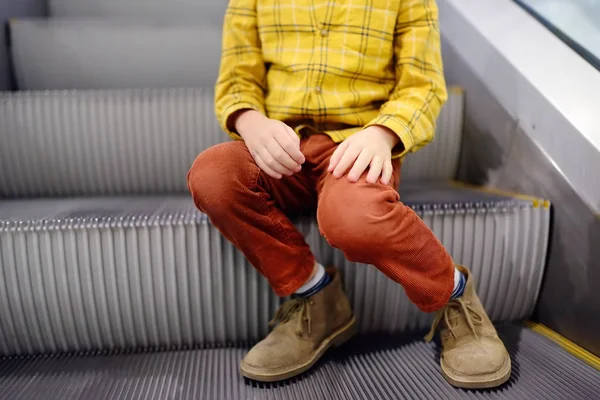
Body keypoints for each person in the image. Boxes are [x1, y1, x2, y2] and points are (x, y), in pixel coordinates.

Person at [187, 0, 511, 389]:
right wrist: (250, 121)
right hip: (277, 150)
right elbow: (237, 80)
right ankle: (315, 295)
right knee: (212, 175)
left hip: (358, 146)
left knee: (354, 219)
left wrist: (384, 133)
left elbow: (421, 85)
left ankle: (454, 294)